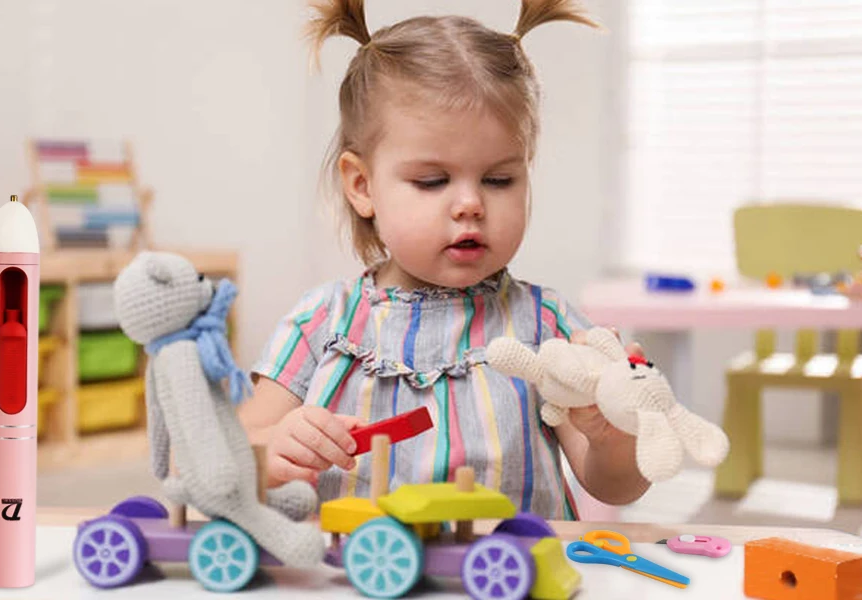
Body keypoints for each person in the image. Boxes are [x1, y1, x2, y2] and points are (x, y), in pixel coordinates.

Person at [238, 0, 650, 519]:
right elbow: (227, 457)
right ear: (362, 185)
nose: (470, 204)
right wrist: (272, 449)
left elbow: (615, 487)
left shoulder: (548, 331)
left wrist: (614, 437)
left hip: (511, 563)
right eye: (433, 181)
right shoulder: (322, 323)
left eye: (499, 179)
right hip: (358, 562)